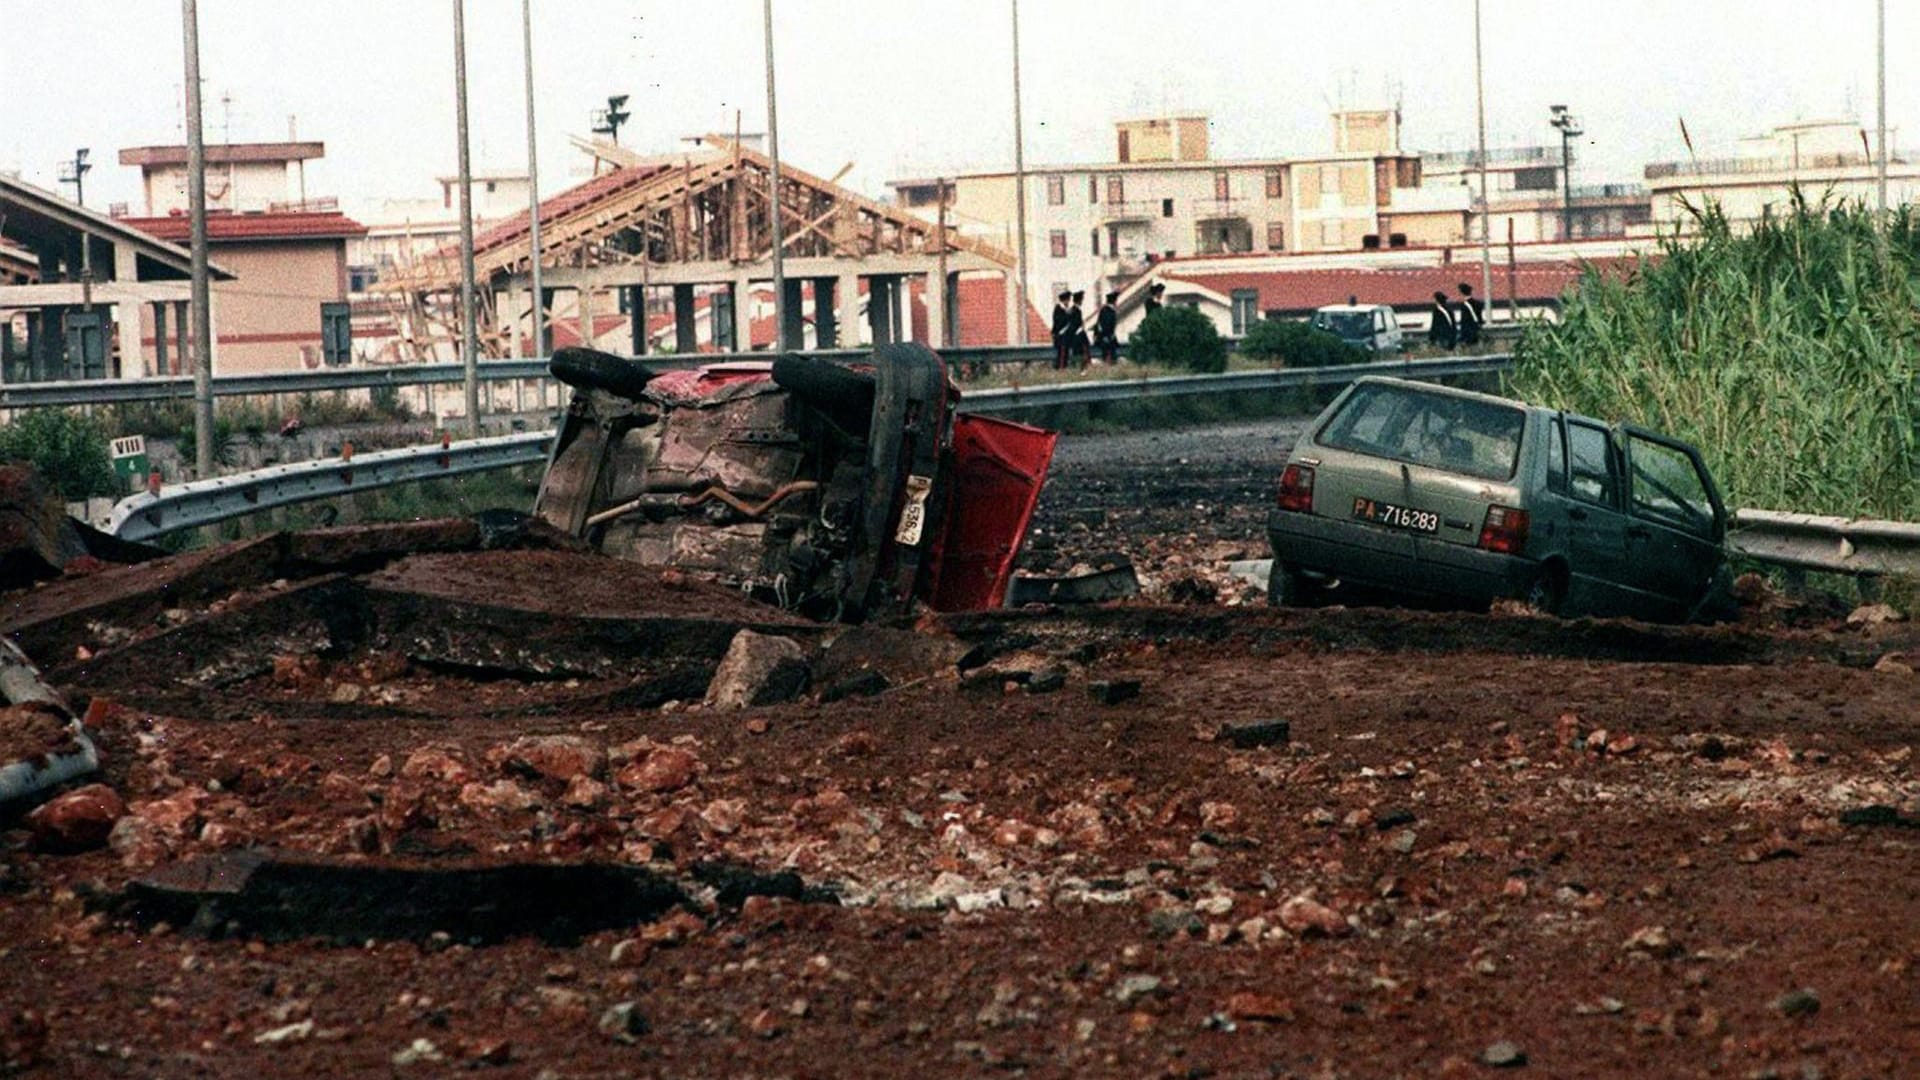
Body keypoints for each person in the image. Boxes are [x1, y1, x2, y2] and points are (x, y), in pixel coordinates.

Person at [1093, 291, 1119, 365]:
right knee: (1109, 357)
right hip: (1106, 337)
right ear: (1114, 301)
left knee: (1112, 356)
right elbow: (1105, 326)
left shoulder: (1105, 310)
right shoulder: (1107, 311)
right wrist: (1106, 336)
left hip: (1108, 337)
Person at [1454, 282, 1483, 348]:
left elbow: (1465, 321)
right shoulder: (1477, 303)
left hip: (1468, 334)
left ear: (1461, 293)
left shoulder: (1465, 305)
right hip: (1476, 332)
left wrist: (1462, 336)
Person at [1050, 290, 1073, 370]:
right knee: (1062, 353)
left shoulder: (1066, 309)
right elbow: (1058, 322)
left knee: (1065, 353)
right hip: (1060, 336)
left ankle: (1064, 367)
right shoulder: (1058, 309)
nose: (1068, 302)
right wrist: (1067, 315)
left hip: (1066, 336)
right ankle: (1060, 367)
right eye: (1068, 300)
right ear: (1064, 300)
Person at [1069, 290, 1091, 366]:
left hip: (1076, 335)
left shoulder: (1073, 310)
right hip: (1077, 335)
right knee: (1085, 348)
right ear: (1079, 300)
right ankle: (1086, 364)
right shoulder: (1076, 310)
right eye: (1081, 300)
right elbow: (1075, 324)